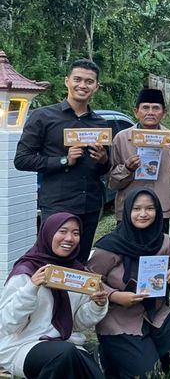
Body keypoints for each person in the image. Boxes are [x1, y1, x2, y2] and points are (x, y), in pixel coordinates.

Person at [87, 189, 170, 377]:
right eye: (136, 208)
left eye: (150, 208)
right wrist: (115, 295)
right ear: (127, 211)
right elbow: (89, 278)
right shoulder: (110, 247)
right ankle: (108, 356)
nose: (143, 214)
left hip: (155, 313)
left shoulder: (163, 241)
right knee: (148, 374)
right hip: (120, 319)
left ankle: (150, 352)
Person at [15, 59, 110, 262]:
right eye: (77, 79)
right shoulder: (43, 117)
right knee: (52, 264)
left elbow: (103, 169)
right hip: (58, 206)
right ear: (67, 81)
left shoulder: (100, 124)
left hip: (90, 206)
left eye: (89, 81)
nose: (82, 85)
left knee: (79, 264)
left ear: (96, 87)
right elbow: (22, 160)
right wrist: (64, 161)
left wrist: (103, 160)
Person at [0, 213, 108, 378]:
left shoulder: (78, 274)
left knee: (74, 360)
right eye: (62, 231)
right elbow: (7, 324)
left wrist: (96, 305)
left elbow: (76, 324)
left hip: (66, 345)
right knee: (66, 356)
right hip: (23, 345)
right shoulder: (26, 272)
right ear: (48, 233)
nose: (69, 238)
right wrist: (31, 288)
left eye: (75, 233)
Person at [108, 88, 170, 233]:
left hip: (160, 210)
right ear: (136, 112)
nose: (150, 112)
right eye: (145, 107)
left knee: (158, 247)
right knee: (127, 248)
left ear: (164, 113)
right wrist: (127, 168)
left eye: (156, 108)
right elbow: (112, 182)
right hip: (129, 210)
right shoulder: (122, 139)